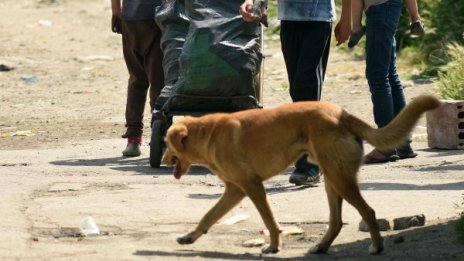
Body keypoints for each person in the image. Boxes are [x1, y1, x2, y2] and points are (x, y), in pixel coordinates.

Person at [240, 0, 352, 185]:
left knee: (306, 85)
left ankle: (310, 165)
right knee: (297, 90)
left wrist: (347, 19)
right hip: (289, 19)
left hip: (318, 18)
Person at [358, 0, 418, 164]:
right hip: (391, 7)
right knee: (389, 75)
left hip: (379, 9)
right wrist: (415, 17)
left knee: (377, 76)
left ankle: (386, 146)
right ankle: (402, 143)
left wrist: (355, 25)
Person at [111, 0, 164, 157]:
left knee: (137, 79)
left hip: (130, 19)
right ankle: (160, 137)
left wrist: (116, 11)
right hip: (156, 18)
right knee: (158, 81)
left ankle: (133, 138)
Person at [348, 0, 425, 48]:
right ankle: (415, 20)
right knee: (388, 68)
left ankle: (356, 27)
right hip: (391, 5)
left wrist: (355, 25)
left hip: (378, 5)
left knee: (377, 70)